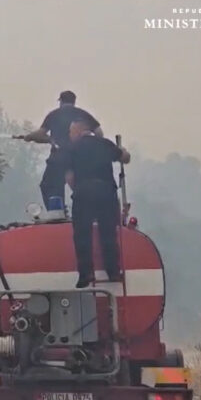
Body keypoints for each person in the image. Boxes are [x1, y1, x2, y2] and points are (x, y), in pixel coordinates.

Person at [62, 118, 128, 288]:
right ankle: (113, 271)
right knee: (108, 232)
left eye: (70, 132)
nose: (70, 136)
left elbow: (69, 177)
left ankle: (86, 274)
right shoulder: (104, 144)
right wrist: (122, 150)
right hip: (106, 191)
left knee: (82, 234)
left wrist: (78, 190)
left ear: (77, 130)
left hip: (83, 192)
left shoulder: (71, 148)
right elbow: (125, 158)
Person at [17, 90, 103, 210]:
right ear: (74, 101)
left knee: (50, 186)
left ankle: (57, 212)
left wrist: (29, 137)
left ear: (61, 101)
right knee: (82, 186)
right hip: (80, 157)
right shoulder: (83, 115)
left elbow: (41, 134)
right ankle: (88, 211)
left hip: (59, 157)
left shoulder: (54, 115)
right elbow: (99, 133)